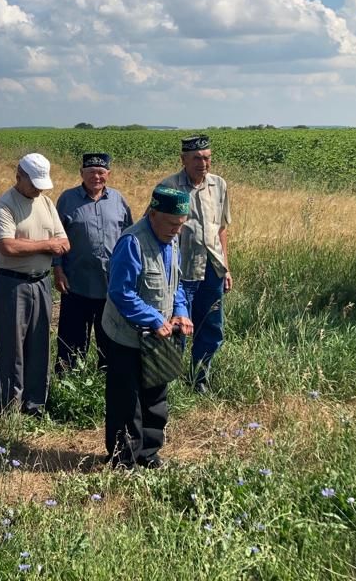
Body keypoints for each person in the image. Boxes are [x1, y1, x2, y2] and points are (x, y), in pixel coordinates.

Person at [101, 186, 193, 469]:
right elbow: (121, 291)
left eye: (180, 224)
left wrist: (180, 312)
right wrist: (154, 318)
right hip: (125, 336)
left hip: (158, 338)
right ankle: (123, 459)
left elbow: (174, 283)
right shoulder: (133, 242)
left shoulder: (172, 239)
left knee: (155, 395)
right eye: (170, 223)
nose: (176, 230)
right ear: (152, 214)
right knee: (126, 401)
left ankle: (148, 454)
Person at [0, 154, 69, 416]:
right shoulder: (5, 204)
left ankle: (35, 404)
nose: (38, 189)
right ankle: (8, 406)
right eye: (33, 183)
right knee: (12, 348)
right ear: (18, 176)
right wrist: (46, 246)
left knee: (39, 345)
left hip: (40, 283)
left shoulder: (46, 202)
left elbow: (64, 241)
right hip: (12, 284)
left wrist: (37, 247)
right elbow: (8, 246)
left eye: (41, 184)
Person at [158, 135, 232, 393]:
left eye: (207, 157)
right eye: (197, 158)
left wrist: (226, 267)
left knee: (210, 327)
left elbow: (221, 229)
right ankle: (169, 382)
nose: (203, 163)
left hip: (212, 268)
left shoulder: (218, 185)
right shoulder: (168, 187)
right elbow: (155, 228)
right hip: (181, 271)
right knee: (178, 326)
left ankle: (199, 379)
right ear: (183, 160)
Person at [53, 153, 132, 373]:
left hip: (111, 285)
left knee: (109, 340)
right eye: (91, 172)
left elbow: (129, 239)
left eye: (101, 172)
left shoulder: (119, 200)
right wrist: (58, 271)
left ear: (108, 174)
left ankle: (107, 381)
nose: (96, 177)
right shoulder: (67, 199)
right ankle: (67, 381)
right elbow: (57, 238)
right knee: (72, 339)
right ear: (81, 174)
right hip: (76, 283)